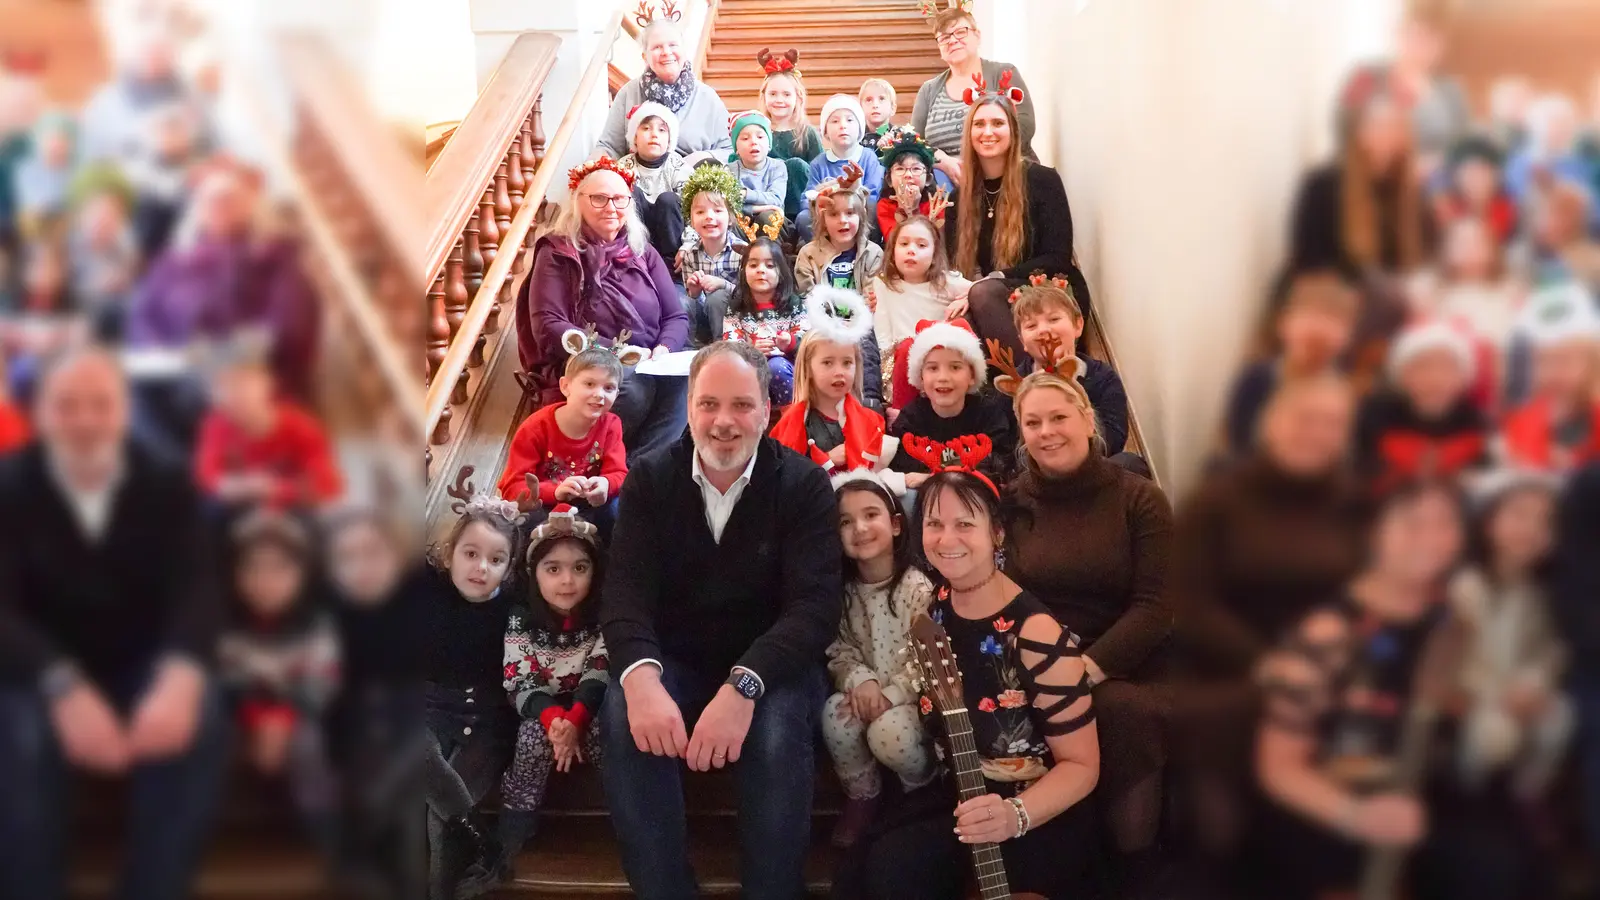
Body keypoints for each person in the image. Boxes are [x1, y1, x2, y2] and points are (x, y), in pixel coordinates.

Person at [599, 341, 842, 900]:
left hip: (773, 668)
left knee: (776, 733)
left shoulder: (804, 485)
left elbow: (814, 609)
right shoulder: (650, 478)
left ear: (766, 410)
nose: (724, 422)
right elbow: (625, 595)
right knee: (622, 713)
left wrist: (744, 685)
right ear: (689, 408)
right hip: (677, 660)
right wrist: (641, 678)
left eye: (741, 405)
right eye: (708, 404)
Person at [0, 347, 228, 900]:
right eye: (66, 405)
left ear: (124, 411)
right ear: (40, 413)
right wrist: (61, 682)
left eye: (100, 404)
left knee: (204, 718)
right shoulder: (7, 487)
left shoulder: (168, 482)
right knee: (20, 738)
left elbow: (198, 587)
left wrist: (181, 674)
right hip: (32, 669)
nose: (84, 421)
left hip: (140, 662)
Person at [836, 448, 1101, 899]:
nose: (947, 538)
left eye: (964, 524)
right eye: (934, 524)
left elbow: (1082, 766)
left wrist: (1014, 815)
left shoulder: (1035, 632)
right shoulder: (932, 609)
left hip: (1035, 808)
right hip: (957, 794)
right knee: (875, 873)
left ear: (997, 533)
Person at [1249, 480, 1474, 900]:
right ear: (1375, 530)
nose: (1431, 538)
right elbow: (1277, 767)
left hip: (1422, 809)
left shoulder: (1452, 623)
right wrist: (1358, 816)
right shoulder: (1327, 633)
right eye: (1412, 523)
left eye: (1445, 523)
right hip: (1329, 821)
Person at [1005, 358, 1174, 894]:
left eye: (1058, 417)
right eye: (1033, 422)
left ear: (1086, 418)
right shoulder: (1011, 503)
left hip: (1125, 663)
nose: (1047, 432)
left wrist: (1085, 670)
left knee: (1121, 713)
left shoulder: (1139, 498)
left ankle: (1134, 867)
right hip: (1037, 662)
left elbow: (1155, 605)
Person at [472, 506, 610, 893]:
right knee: (532, 737)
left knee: (613, 732)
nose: (567, 580)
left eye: (580, 568)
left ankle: (625, 811)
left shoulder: (603, 613)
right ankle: (515, 826)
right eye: (553, 569)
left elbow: (600, 669)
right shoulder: (521, 617)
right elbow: (518, 679)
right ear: (534, 573)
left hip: (590, 708)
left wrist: (577, 718)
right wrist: (555, 721)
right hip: (541, 712)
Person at [517, 158, 690, 464]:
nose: (611, 207)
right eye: (599, 198)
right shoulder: (558, 251)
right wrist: (619, 353)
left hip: (649, 360)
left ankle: (639, 468)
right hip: (588, 360)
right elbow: (548, 325)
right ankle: (589, 463)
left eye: (620, 199)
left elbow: (675, 316)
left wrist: (664, 348)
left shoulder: (643, 251)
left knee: (688, 382)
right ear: (578, 201)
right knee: (630, 386)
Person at [126, 160, 320, 401]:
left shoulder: (276, 261)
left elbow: (287, 331)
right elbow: (144, 316)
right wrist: (162, 359)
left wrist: (212, 361)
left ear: (250, 206)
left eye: (229, 200)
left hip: (243, 385)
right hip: (171, 377)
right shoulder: (173, 262)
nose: (219, 207)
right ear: (197, 210)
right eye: (210, 201)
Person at [217, 510, 341, 859]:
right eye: (252, 568)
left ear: (302, 574)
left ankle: (332, 845)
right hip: (240, 722)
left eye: (280, 569)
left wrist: (283, 716)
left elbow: (322, 683)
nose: (265, 580)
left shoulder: (315, 625)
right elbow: (224, 680)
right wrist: (257, 715)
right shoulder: (226, 626)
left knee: (309, 744)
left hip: (297, 720)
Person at [822, 471, 936, 847]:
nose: (860, 528)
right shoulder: (843, 594)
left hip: (912, 702)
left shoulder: (917, 589)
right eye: (846, 521)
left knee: (888, 732)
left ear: (896, 524)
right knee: (835, 716)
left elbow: (929, 659)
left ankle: (919, 791)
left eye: (871, 515)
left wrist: (892, 694)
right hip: (867, 692)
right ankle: (863, 795)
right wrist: (861, 680)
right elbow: (840, 648)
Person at [421, 484, 521, 898]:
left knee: (439, 819)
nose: (481, 567)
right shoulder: (429, 587)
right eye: (471, 554)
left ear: (509, 568)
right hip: (426, 711)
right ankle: (482, 838)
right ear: (450, 555)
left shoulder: (515, 605)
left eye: (496, 560)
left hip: (487, 722)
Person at [1451, 470, 1572, 804]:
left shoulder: (1541, 594)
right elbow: (1456, 659)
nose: (1531, 530)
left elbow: (1549, 650)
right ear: (1489, 522)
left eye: (1545, 522)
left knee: (1559, 719)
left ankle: (1526, 799)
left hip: (1519, 692)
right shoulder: (1464, 586)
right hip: (1472, 698)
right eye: (1519, 515)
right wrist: (1495, 696)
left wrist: (1533, 685)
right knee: (1495, 733)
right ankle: (1465, 799)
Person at [944, 90, 1082, 370]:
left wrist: (992, 280)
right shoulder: (959, 197)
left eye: (997, 123)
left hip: (1046, 288)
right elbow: (956, 267)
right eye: (979, 124)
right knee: (957, 325)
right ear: (969, 133)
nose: (988, 132)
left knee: (983, 295)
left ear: (1013, 131)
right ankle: (1012, 390)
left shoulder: (1042, 180)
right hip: (989, 296)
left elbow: (1057, 257)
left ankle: (1034, 381)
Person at [498, 329, 632, 542]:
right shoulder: (535, 427)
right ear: (565, 386)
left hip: (589, 505)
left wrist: (605, 484)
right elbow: (512, 488)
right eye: (589, 384)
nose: (599, 394)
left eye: (608, 388)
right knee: (525, 520)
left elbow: (619, 473)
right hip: (546, 506)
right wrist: (555, 491)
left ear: (617, 394)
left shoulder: (611, 424)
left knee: (617, 510)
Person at [1288, 80, 1426, 282]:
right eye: (1377, 125)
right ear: (1357, 131)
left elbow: (1415, 265)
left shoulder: (1412, 193)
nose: (1386, 136)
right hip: (1332, 294)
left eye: (1395, 126)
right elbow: (1311, 267)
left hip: (1393, 295)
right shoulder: (1322, 187)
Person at [192, 332, 344, 514]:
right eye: (222, 386)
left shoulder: (301, 427)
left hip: (293, 509)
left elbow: (328, 484)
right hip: (239, 509)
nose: (234, 394)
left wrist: (278, 490)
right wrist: (235, 486)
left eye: (243, 382)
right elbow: (206, 474)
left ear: (267, 383)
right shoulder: (216, 425)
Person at [769, 287, 899, 483]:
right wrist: (827, 459)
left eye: (847, 363)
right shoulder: (793, 423)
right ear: (808, 368)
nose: (839, 372)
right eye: (827, 363)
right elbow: (785, 477)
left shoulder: (871, 421)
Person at [1225, 273, 1358, 459]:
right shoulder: (1255, 380)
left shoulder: (1346, 394)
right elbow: (1237, 444)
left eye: (1335, 320)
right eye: (1309, 316)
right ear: (1283, 324)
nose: (1321, 330)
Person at [1006, 276, 1130, 458]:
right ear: (1022, 341)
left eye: (1054, 319)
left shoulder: (1103, 378)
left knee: (1129, 462)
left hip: (1092, 465)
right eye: (1031, 325)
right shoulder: (1014, 384)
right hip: (1038, 468)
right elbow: (1009, 448)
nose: (1043, 330)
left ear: (1078, 325)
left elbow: (1113, 439)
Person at [1354, 319, 1488, 485]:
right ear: (1402, 375)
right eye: (1423, 366)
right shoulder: (1375, 418)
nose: (1435, 379)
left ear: (1463, 378)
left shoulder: (1476, 425)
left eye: (1447, 367)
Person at [912, 7, 1036, 185]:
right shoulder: (928, 89)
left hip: (1005, 177)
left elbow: (1025, 125)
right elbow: (915, 141)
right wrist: (942, 160)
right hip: (946, 183)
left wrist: (980, 164)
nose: (952, 40)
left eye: (960, 32)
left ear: (977, 36)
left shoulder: (1003, 73)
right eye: (944, 37)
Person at [1334, 9, 1470, 170]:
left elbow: (1463, 145)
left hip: (1439, 178)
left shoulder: (1450, 90)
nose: (1422, 46)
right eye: (1416, 36)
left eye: (1432, 39)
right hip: (1379, 173)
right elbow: (1346, 131)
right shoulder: (1367, 78)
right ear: (1400, 35)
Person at [887, 318, 1014, 488]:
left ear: (972, 375)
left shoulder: (989, 415)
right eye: (933, 368)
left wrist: (936, 476)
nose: (943, 377)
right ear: (921, 376)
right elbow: (904, 468)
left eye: (955, 367)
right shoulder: (910, 419)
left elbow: (999, 464)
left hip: (975, 494)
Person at [1496, 283, 1600, 471]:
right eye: (1543, 361)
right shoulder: (1521, 418)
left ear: (1591, 363)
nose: (1554, 371)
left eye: (1565, 360)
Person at [595, 17, 731, 159]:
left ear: (684, 51)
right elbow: (609, 146)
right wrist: (595, 166)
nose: (666, 52)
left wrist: (701, 158)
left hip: (694, 172)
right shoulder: (628, 93)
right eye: (657, 47)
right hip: (638, 171)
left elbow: (729, 150)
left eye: (673, 45)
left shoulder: (707, 97)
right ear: (645, 57)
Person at [870, 215, 970, 369]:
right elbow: (883, 336)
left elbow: (983, 287)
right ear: (893, 251)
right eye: (904, 244)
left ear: (934, 255)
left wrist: (967, 298)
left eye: (921, 245)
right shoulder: (883, 283)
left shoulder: (946, 282)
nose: (911, 250)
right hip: (898, 364)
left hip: (937, 363)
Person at [718, 236, 807, 407]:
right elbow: (730, 344)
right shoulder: (736, 307)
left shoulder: (793, 304)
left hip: (787, 368)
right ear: (743, 271)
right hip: (750, 367)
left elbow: (807, 340)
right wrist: (750, 350)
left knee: (776, 367)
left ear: (781, 272)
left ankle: (792, 417)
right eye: (753, 265)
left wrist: (790, 343)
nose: (761, 270)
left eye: (770, 265)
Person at [675, 165, 744, 344]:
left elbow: (749, 296)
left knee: (717, 297)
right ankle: (688, 347)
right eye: (700, 212)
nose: (709, 216)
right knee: (681, 300)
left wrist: (723, 284)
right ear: (691, 221)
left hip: (736, 320)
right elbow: (693, 300)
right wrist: (694, 291)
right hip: (705, 318)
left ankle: (723, 346)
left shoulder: (742, 252)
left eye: (718, 210)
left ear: (731, 218)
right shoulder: (690, 255)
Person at [617, 102, 691, 265]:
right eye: (646, 128)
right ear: (635, 137)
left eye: (662, 130)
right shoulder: (623, 167)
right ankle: (636, 259)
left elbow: (693, 211)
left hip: (670, 238)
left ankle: (670, 266)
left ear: (669, 140)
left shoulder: (678, 166)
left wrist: (688, 245)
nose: (654, 134)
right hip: (637, 240)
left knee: (668, 199)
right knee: (630, 192)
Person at [794, 166, 884, 295]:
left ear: (861, 216)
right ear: (822, 219)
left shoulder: (873, 254)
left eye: (850, 213)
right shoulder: (808, 255)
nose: (842, 220)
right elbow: (808, 298)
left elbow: (872, 298)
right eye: (833, 214)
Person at [756, 49, 819, 224]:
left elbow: (818, 172)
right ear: (764, 96)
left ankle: (796, 225)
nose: (779, 100)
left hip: (802, 209)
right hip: (767, 207)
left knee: (795, 165)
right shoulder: (758, 133)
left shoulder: (807, 133)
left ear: (798, 98)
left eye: (786, 94)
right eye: (773, 94)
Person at [1429, 136, 1518, 250]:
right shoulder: (1445, 210)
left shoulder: (1507, 211)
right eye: (1470, 174)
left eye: (1483, 173)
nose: (1476, 182)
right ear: (1456, 177)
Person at [806, 95, 886, 215]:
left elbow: (873, 195)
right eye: (835, 121)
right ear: (825, 131)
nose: (843, 125)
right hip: (827, 216)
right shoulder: (818, 163)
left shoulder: (869, 158)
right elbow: (808, 199)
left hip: (859, 215)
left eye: (849, 120)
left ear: (860, 128)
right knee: (803, 217)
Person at [871, 126, 945, 244]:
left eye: (916, 169)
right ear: (889, 180)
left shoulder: (936, 205)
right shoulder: (885, 206)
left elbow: (932, 243)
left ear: (928, 179)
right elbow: (895, 242)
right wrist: (905, 208)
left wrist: (914, 209)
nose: (908, 175)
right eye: (900, 169)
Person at [726, 110, 788, 236]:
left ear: (769, 144)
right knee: (731, 219)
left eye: (760, 137)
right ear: (736, 148)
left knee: (767, 217)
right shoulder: (729, 170)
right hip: (743, 224)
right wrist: (756, 208)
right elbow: (728, 206)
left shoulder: (778, 166)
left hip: (773, 223)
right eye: (745, 138)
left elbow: (776, 199)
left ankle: (771, 249)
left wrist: (745, 194)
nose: (754, 142)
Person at [858, 78, 898, 151]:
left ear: (892, 108)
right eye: (869, 100)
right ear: (860, 108)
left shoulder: (899, 137)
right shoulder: (855, 138)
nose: (875, 105)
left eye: (882, 99)